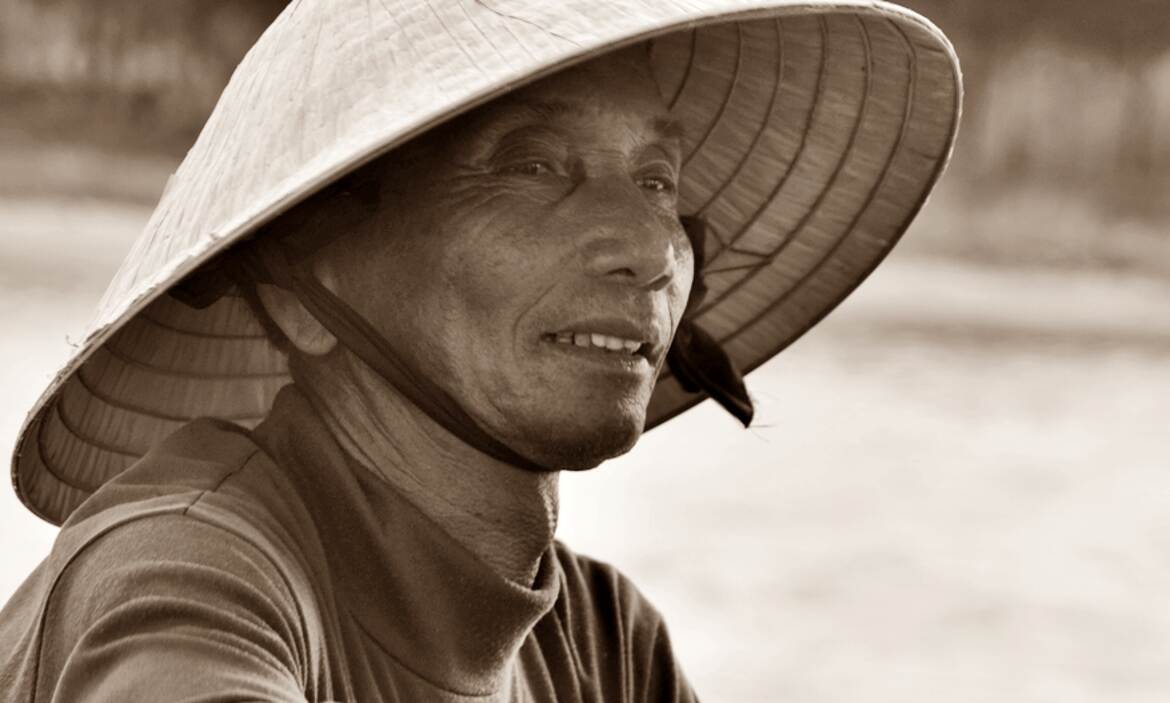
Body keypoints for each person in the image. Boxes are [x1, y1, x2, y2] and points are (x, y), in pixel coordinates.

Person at [0, 1, 961, 700]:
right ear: (306, 297)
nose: (645, 250)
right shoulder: (190, 569)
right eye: (533, 165)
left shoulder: (601, 646)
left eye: (659, 180)